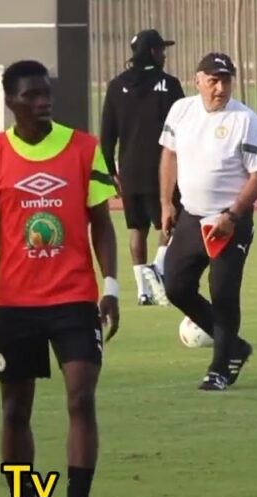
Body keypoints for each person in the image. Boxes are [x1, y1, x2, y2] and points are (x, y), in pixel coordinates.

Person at [0, 59, 120, 497]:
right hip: (16, 302)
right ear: (11, 102)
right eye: (31, 95)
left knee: (80, 398)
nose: (42, 101)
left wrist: (110, 285)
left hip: (73, 297)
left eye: (46, 92)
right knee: (14, 410)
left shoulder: (83, 148)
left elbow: (102, 225)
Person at [158, 52, 257, 392]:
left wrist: (232, 215)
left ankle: (220, 367)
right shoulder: (182, 110)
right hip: (192, 215)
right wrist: (166, 202)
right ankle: (232, 344)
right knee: (175, 286)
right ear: (198, 81)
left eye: (226, 81)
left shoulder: (244, 119)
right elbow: (169, 154)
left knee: (222, 293)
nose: (220, 88)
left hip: (228, 218)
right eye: (213, 80)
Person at [100, 28, 185, 306]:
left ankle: (142, 291)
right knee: (170, 222)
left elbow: (107, 135)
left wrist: (111, 172)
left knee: (136, 229)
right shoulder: (169, 85)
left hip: (128, 171)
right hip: (161, 170)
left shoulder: (116, 86)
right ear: (152, 52)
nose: (164, 55)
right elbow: (183, 129)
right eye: (161, 50)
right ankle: (157, 270)